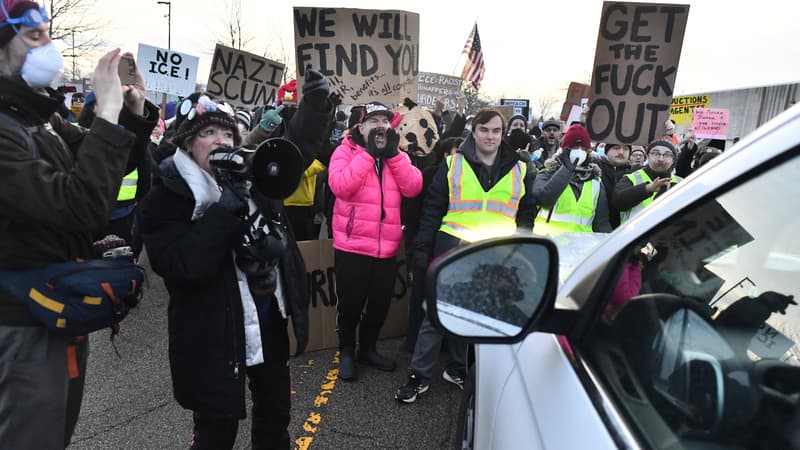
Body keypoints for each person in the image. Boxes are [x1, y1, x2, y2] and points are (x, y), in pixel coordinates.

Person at [141, 69, 333, 449]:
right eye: (209, 133)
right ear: (187, 143)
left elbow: (295, 150)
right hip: (212, 333)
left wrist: (314, 105)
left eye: (227, 134)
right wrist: (224, 212)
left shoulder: (248, 177)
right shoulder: (165, 198)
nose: (221, 141)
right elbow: (182, 266)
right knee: (217, 430)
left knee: (276, 416)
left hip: (267, 322)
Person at [0, 1, 157, 447]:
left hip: (54, 312)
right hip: (20, 324)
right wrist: (104, 114)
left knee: (55, 433)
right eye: (34, 36)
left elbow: (98, 166)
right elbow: (81, 206)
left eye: (48, 33)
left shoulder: (38, 116)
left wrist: (127, 113)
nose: (49, 46)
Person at [395, 109, 536, 403]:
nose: (490, 136)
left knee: (475, 314)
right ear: (474, 130)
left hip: (497, 251)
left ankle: (458, 368)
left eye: (496, 131)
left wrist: (522, 246)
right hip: (454, 245)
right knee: (438, 313)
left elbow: (526, 212)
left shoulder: (520, 169)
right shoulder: (452, 163)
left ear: (503, 133)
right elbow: (432, 209)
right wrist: (422, 246)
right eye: (485, 130)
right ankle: (419, 375)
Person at [328, 101, 423, 381]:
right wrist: (368, 155)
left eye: (384, 120)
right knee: (350, 304)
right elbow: (341, 186)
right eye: (373, 120)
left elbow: (414, 187)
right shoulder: (346, 150)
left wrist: (392, 156)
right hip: (352, 246)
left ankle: (367, 349)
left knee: (379, 304)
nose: (380, 125)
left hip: (386, 248)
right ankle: (346, 350)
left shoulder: (396, 153)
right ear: (361, 126)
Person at [532, 123, 612, 235]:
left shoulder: (596, 183)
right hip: (549, 246)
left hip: (582, 248)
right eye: (574, 147)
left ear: (588, 152)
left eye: (583, 148)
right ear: (564, 150)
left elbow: (601, 223)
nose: (579, 151)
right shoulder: (547, 174)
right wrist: (567, 169)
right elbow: (544, 200)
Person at [613, 140, 682, 224]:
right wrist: (647, 189)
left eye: (667, 155)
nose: (660, 159)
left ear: (673, 160)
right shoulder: (631, 178)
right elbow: (617, 202)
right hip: (634, 234)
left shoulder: (682, 183)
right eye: (656, 154)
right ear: (647, 156)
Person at [594, 142, 632, 229]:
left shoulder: (634, 173)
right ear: (607, 151)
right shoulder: (594, 169)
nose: (621, 152)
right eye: (616, 148)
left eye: (626, 149)